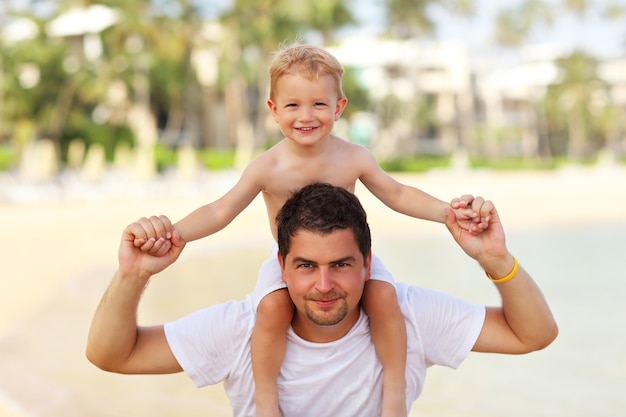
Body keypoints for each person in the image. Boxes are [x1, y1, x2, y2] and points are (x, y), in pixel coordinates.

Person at [130, 44, 487, 417]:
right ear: (273, 110)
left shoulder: (354, 157)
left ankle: (394, 392)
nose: (306, 116)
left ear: (339, 107)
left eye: (319, 104)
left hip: (345, 257)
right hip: (293, 262)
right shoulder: (267, 167)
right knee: (271, 307)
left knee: (384, 298)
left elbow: (397, 193)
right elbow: (221, 209)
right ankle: (266, 399)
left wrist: (447, 213)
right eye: (293, 105)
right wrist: (175, 234)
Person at [86, 182, 558, 417]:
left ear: (368, 263)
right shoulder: (242, 329)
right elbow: (111, 355)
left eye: (342, 265)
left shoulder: (409, 316)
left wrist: (496, 258)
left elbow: (533, 334)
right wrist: (133, 275)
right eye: (307, 266)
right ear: (282, 264)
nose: (324, 284)